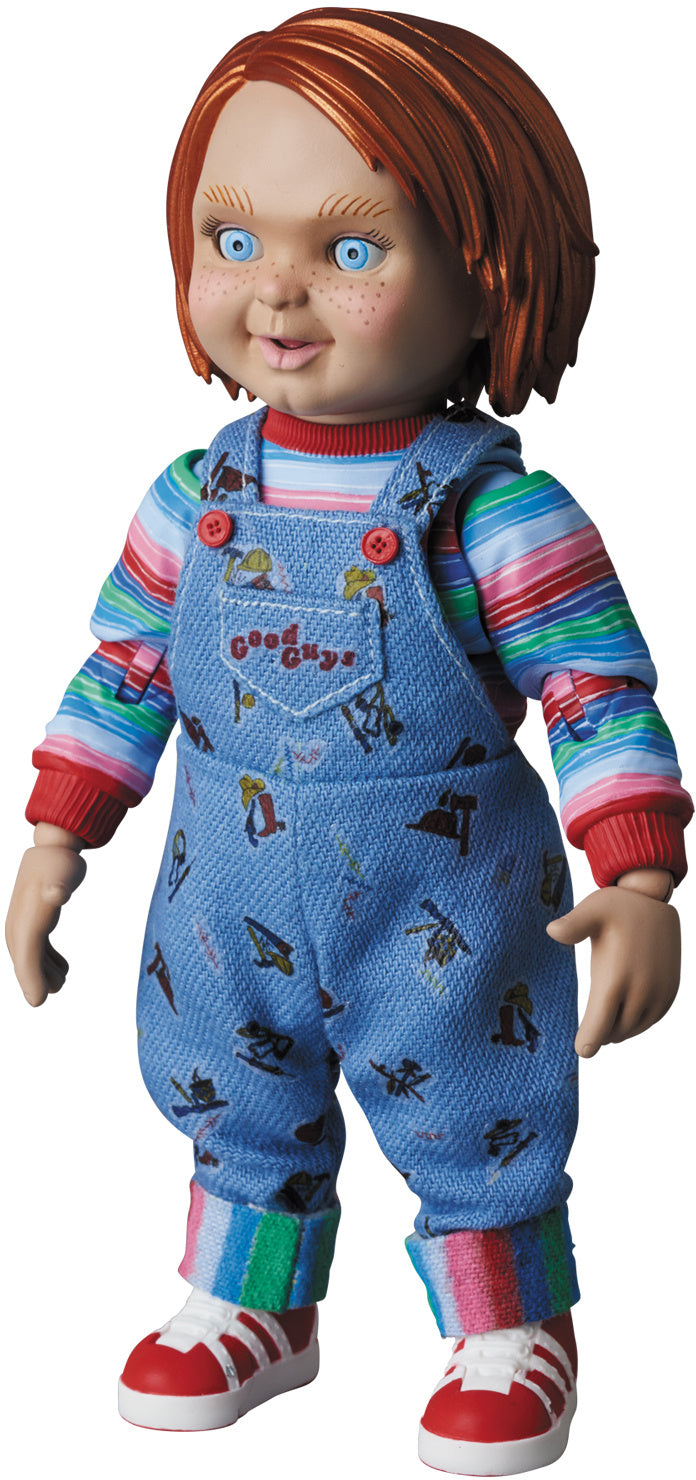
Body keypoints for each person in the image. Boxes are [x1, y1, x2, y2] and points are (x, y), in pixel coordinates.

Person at [5, 9, 690, 1474]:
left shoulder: (496, 514)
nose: (277, 290)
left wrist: (637, 875)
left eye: (353, 248)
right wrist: (59, 831)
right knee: (226, 1084)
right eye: (232, 239)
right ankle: (256, 1302)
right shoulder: (190, 497)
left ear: (489, 273)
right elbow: (125, 667)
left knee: (476, 1102)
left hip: (444, 894)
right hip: (220, 888)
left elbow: (595, 690)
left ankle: (512, 1325)